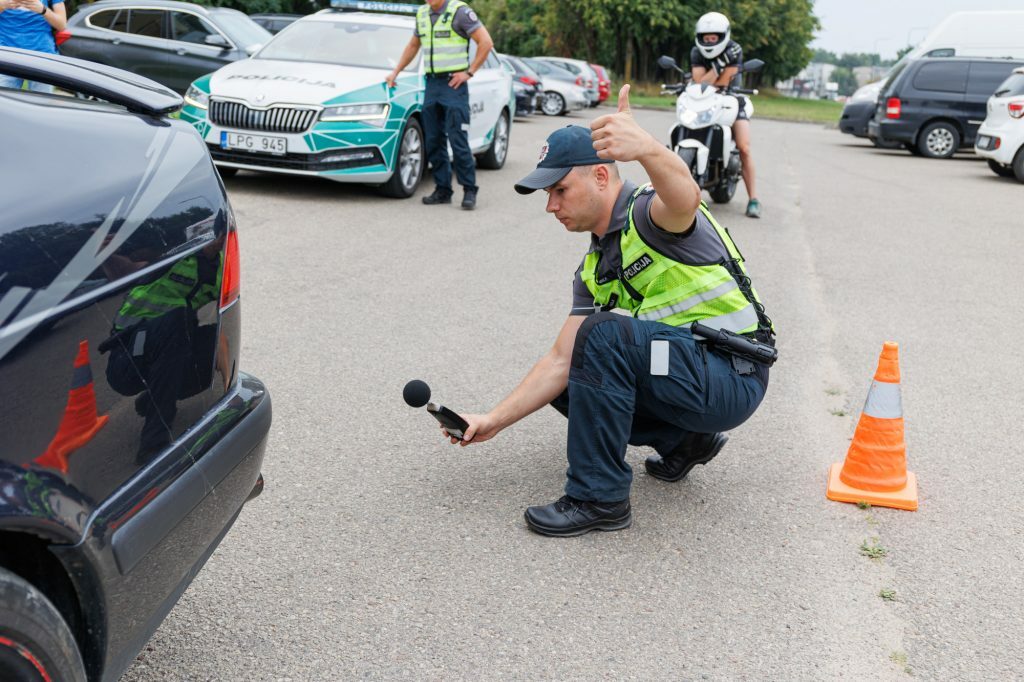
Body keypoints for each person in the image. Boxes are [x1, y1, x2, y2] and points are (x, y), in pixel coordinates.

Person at [442, 85, 774, 537]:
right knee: (574, 369)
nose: (551, 205)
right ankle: (687, 441)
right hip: (690, 374)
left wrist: (648, 150)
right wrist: (491, 420)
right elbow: (559, 360)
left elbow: (684, 198)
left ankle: (598, 498)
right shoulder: (595, 267)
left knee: (600, 335)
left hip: (733, 374)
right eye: (547, 193)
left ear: (601, 177)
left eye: (560, 189)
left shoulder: (649, 216)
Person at [385, 0, 494, 210]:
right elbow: (413, 45)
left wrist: (469, 72)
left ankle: (469, 190)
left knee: (458, 140)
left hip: (454, 85)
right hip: (432, 84)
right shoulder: (423, 14)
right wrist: (396, 71)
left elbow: (486, 42)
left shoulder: (459, 12)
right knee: (433, 140)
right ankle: (443, 190)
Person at [689, 11, 761, 219]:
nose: (710, 41)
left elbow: (723, 82)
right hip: (704, 100)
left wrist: (711, 74)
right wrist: (719, 65)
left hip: (732, 101)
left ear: (723, 36)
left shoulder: (734, 49)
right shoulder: (696, 51)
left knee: (744, 147)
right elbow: (700, 82)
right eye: (706, 37)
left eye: (714, 37)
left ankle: (753, 199)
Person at [0, 0, 67, 94]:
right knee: (4, 105)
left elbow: (62, 25)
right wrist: (2, 6)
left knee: (42, 104)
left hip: (41, 56)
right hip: (6, 55)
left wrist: (43, 10)